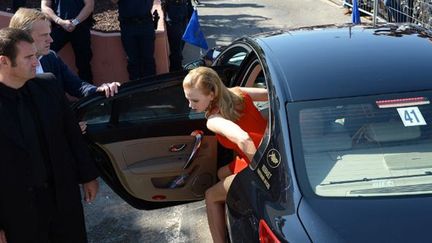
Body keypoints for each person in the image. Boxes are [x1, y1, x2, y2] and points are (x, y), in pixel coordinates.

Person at [0, 27, 99, 243]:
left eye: (35, 55)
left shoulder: (48, 85)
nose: (36, 62)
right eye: (28, 57)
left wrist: (88, 176)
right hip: (19, 212)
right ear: (4, 61)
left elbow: (71, 135)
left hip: (62, 198)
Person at [182, 67, 268, 243]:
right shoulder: (239, 92)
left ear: (212, 94)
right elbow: (271, 94)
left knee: (211, 195)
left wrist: (262, 173)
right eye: (188, 99)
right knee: (221, 173)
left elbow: (244, 139)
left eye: (195, 100)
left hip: (259, 165)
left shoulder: (214, 121)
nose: (190, 105)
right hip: (270, 149)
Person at [9, 8, 120, 98]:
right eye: (44, 35)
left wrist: (100, 90)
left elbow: (78, 86)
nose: (51, 40)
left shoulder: (51, 57)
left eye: (49, 34)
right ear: (24, 37)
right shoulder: (8, 70)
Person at [41, 0, 94, 83]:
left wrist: (75, 22)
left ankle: (90, 93)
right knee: (44, 57)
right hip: (58, 27)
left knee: (84, 64)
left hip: (80, 27)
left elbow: (89, 6)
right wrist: (60, 21)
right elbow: (44, 7)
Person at [111, 0, 156, 80]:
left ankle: (151, 89)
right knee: (132, 61)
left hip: (146, 23)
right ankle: (136, 90)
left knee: (148, 59)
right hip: (128, 26)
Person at [162, 0, 194, 72]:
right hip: (173, 12)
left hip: (184, 8)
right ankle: (176, 70)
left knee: (182, 42)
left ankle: (177, 67)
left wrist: (190, 11)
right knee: (176, 47)